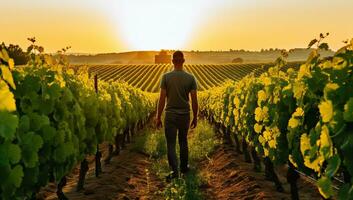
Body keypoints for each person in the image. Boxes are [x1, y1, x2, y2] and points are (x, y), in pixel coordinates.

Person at [155, 51, 198, 181]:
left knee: (171, 144)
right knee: (183, 141)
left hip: (170, 115)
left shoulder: (166, 77)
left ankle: (174, 171)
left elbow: (162, 99)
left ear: (172, 61)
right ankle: (184, 168)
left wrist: (158, 116)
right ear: (183, 61)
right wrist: (195, 116)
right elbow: (194, 100)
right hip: (185, 115)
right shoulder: (191, 78)